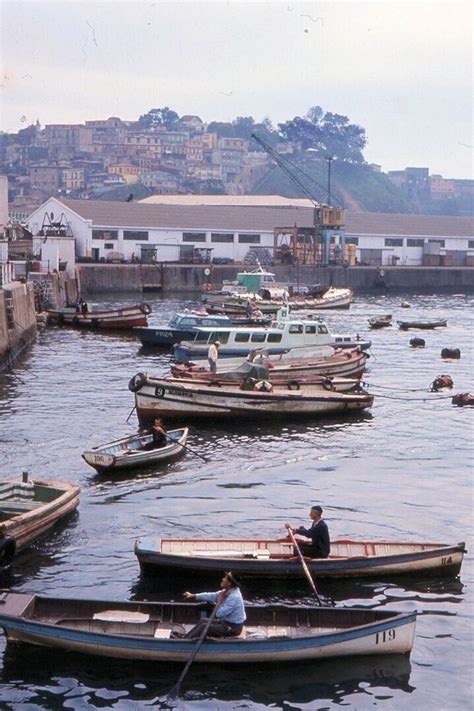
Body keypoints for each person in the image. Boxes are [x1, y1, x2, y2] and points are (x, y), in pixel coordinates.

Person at [171, 572, 246, 639]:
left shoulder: (234, 597)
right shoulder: (228, 590)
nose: (222, 579)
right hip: (226, 623)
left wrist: (219, 602)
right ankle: (186, 638)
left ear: (229, 583)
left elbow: (219, 614)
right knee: (203, 621)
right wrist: (193, 595)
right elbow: (211, 596)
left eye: (225, 578)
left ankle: (185, 643)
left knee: (204, 627)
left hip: (232, 628)